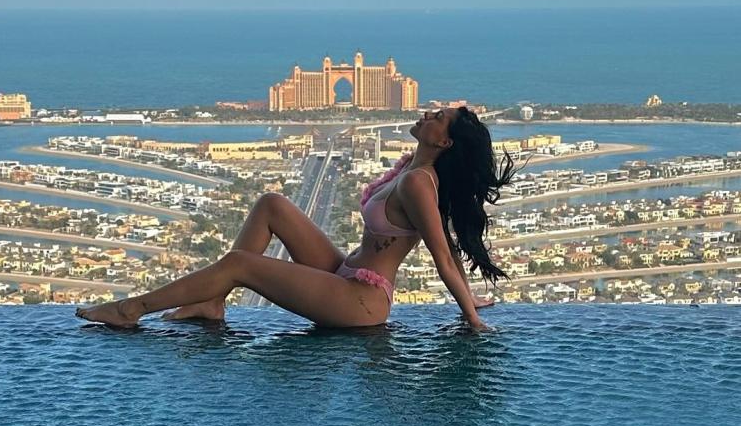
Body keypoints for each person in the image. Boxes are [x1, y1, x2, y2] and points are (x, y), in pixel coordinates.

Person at [75, 106, 521, 331]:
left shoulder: (420, 182)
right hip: (348, 273)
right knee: (272, 204)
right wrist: (472, 296)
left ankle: (131, 309)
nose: (428, 114)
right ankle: (211, 302)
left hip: (361, 300)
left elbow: (441, 254)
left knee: (239, 264)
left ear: (444, 142)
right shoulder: (411, 168)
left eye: (438, 118)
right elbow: (444, 234)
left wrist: (472, 319)